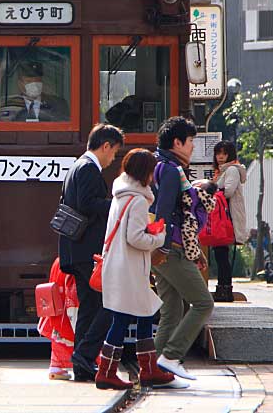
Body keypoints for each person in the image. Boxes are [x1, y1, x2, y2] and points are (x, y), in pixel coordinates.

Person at [95, 149, 186, 390]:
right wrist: (158, 237)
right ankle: (109, 372)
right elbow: (135, 238)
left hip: (121, 266)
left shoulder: (121, 194)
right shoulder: (136, 200)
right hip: (129, 270)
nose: (154, 176)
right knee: (123, 319)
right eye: (152, 171)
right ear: (144, 172)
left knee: (143, 314)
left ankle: (147, 369)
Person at [57, 123, 124, 381]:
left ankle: (82, 364)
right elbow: (87, 204)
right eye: (114, 152)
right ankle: (84, 355)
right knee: (110, 302)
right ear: (105, 146)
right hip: (86, 249)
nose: (113, 159)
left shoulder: (77, 166)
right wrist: (118, 204)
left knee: (90, 305)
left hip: (76, 248)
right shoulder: (88, 169)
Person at [149, 116, 213, 382]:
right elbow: (164, 210)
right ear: (177, 142)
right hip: (170, 248)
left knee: (172, 310)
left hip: (158, 248)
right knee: (203, 303)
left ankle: (154, 368)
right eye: (190, 142)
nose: (192, 147)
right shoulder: (172, 170)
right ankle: (171, 356)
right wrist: (163, 246)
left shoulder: (157, 164)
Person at [212, 140, 247, 302]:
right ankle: (223, 288)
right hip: (223, 218)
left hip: (226, 218)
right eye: (218, 153)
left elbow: (227, 192)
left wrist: (208, 191)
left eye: (224, 153)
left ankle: (224, 289)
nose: (220, 156)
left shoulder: (231, 170)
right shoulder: (222, 171)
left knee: (222, 255)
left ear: (230, 155)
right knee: (221, 255)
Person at [37, 258, 78, 381]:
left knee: (59, 333)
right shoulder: (78, 259)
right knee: (80, 331)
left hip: (58, 306)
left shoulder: (59, 261)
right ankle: (94, 363)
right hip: (72, 304)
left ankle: (56, 366)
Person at [1, 61, 70, 122]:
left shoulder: (59, 103)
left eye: (37, 81)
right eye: (29, 81)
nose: (34, 85)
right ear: (20, 83)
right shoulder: (10, 105)